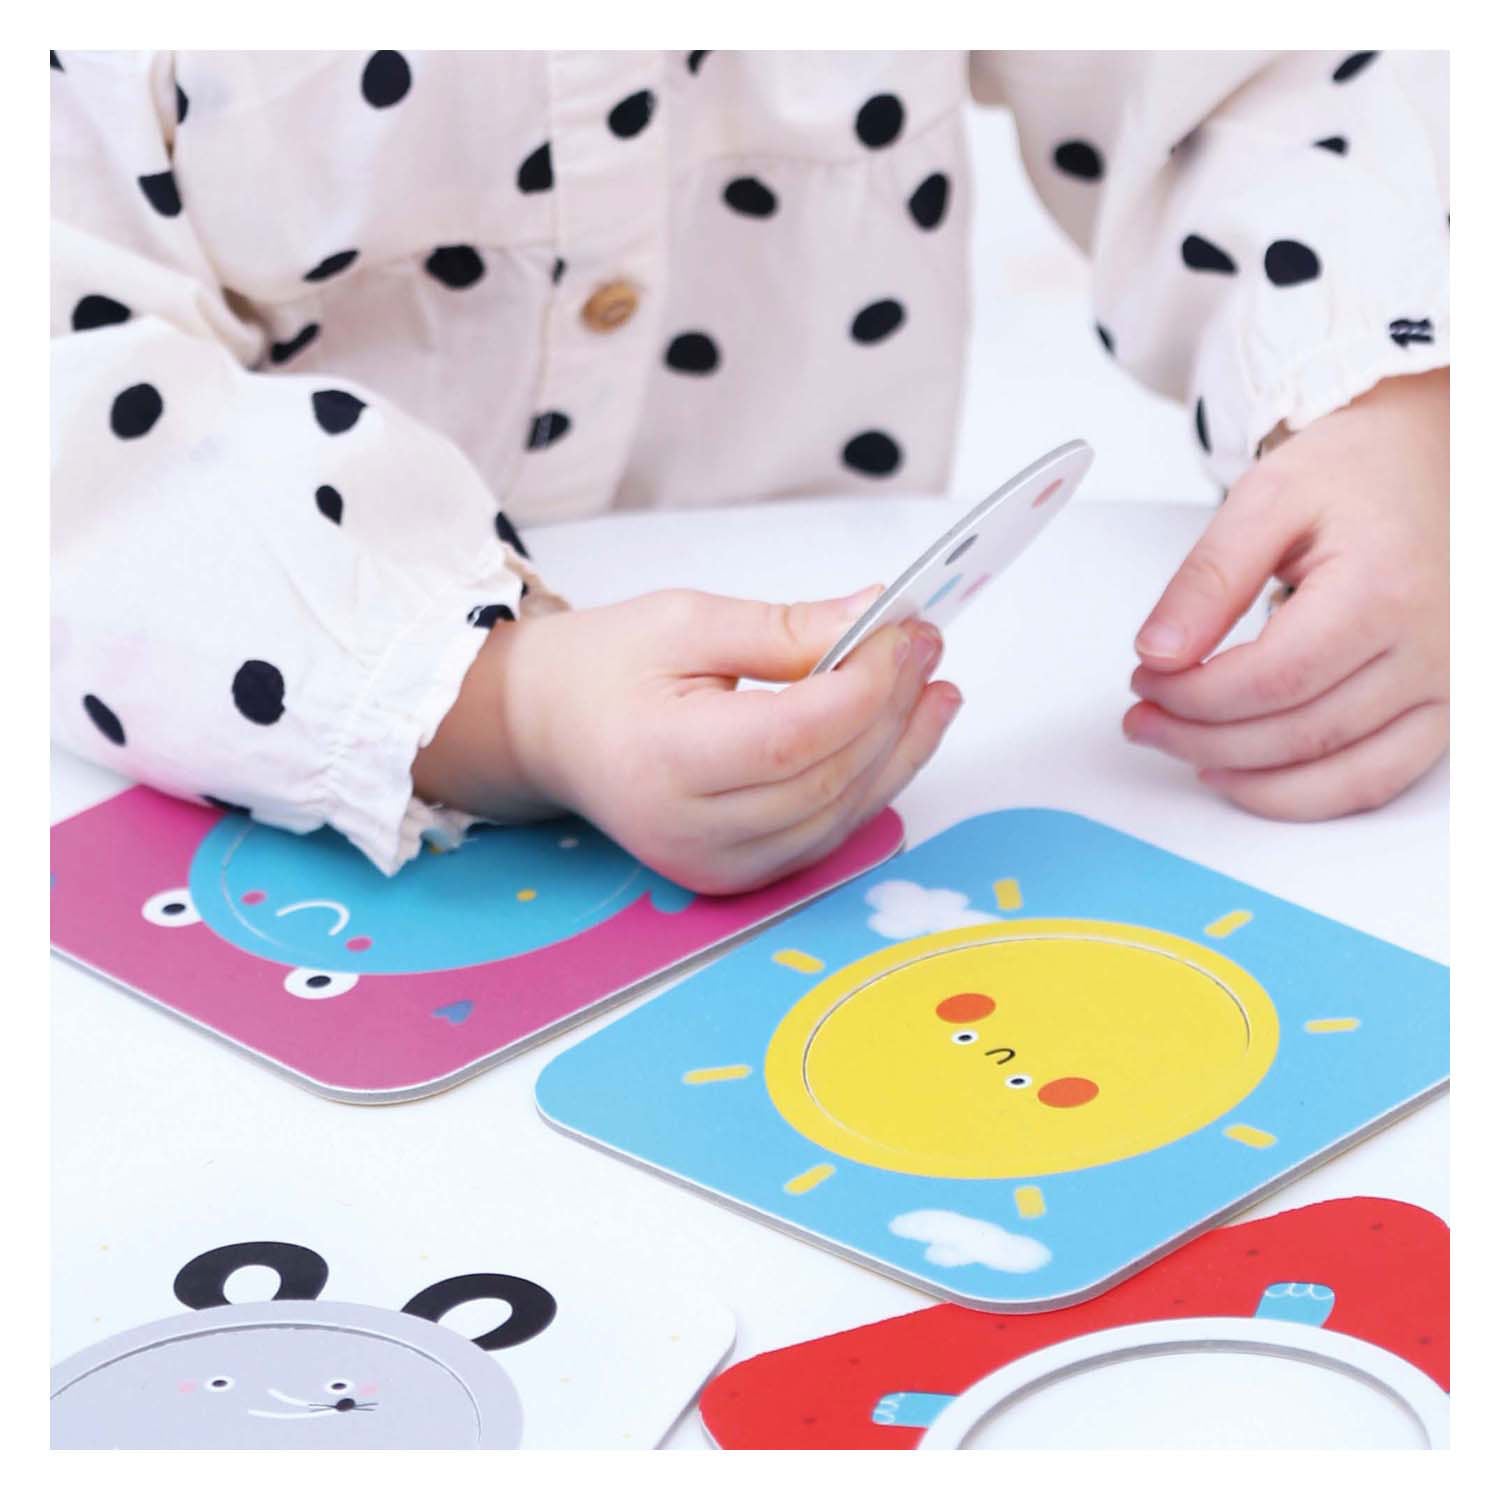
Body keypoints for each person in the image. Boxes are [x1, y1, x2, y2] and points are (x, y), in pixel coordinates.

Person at [50, 49, 1449, 892]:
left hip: (848, 695)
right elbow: (61, 375)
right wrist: (501, 702)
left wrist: (1390, 404)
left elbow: (1263, 70)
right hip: (256, 758)